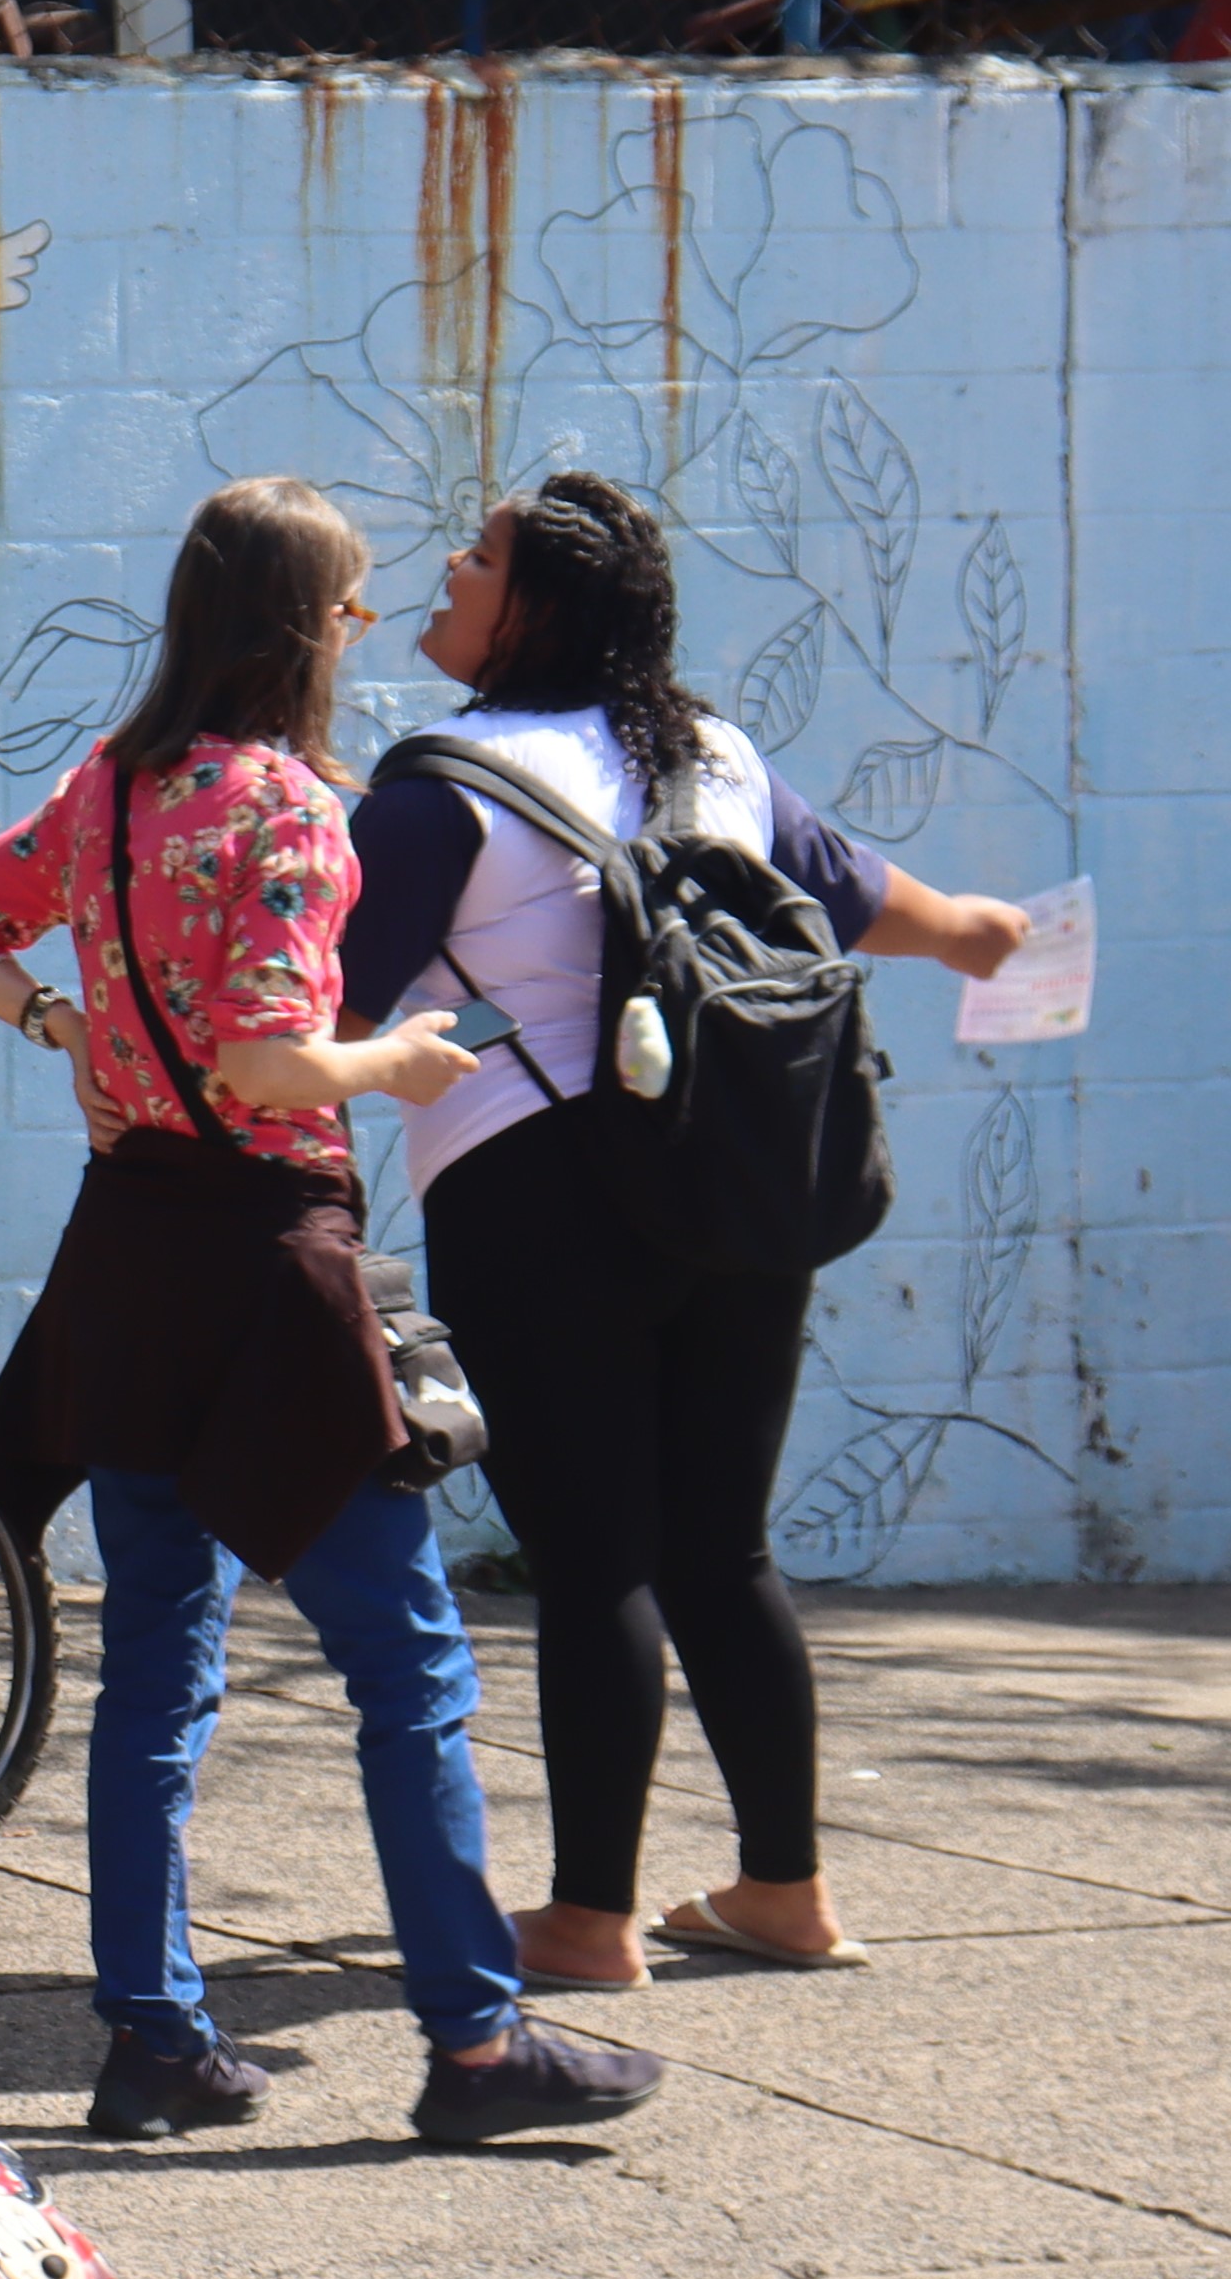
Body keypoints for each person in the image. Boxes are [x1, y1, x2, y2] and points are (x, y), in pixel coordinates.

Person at [0, 475, 665, 2151]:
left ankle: (153, 2035)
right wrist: (397, 1058)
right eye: (346, 603)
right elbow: (264, 1055)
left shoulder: (98, 790)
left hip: (127, 1259)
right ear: (296, 627)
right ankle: (473, 2042)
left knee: (156, 1667)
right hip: (263, 1262)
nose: (364, 626)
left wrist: (62, 1031)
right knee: (406, 1659)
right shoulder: (291, 809)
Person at [341, 473, 1031, 1988]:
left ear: (540, 604)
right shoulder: (714, 753)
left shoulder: (441, 788)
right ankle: (784, 1886)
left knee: (592, 1556)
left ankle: (587, 1916)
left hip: (537, 1194)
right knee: (720, 1545)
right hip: (734, 1183)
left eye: (479, 556)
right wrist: (987, 930)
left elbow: (323, 1006)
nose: (446, 572)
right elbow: (861, 898)